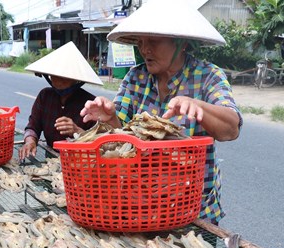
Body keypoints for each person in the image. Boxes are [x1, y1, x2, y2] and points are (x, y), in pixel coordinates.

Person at [81, 1, 242, 224]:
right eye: (141, 41)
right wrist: (109, 117)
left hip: (193, 207)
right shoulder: (136, 77)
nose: (145, 49)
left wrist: (199, 107)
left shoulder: (209, 76)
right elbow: (122, 135)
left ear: (181, 43)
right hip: (141, 204)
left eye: (154, 41)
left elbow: (231, 129)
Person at [18, 41, 103, 161]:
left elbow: (101, 144)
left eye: (64, 76)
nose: (58, 80)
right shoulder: (45, 96)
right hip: (51, 158)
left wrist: (77, 131)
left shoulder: (90, 103)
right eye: (54, 75)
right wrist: (30, 141)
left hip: (81, 162)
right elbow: (32, 127)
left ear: (76, 79)